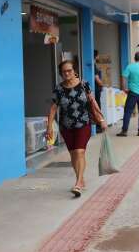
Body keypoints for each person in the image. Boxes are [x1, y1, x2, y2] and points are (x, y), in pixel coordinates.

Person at [46, 60, 106, 197]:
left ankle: (78, 183)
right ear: (61, 73)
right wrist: (49, 126)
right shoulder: (59, 89)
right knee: (73, 155)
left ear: (74, 71)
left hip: (83, 124)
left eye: (69, 71)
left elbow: (92, 101)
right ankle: (80, 178)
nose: (67, 73)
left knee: (79, 152)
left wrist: (101, 118)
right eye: (64, 71)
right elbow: (53, 108)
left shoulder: (84, 84)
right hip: (66, 126)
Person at [118, 51, 139, 137]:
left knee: (128, 111)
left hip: (133, 92)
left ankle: (124, 131)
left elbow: (123, 77)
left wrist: (124, 88)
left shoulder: (130, 66)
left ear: (135, 58)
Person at [94, 50, 105, 132]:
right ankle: (98, 126)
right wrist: (102, 84)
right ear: (96, 56)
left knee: (97, 107)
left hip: (97, 90)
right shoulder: (93, 66)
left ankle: (98, 125)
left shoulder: (94, 65)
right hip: (96, 90)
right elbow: (96, 78)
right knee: (97, 107)